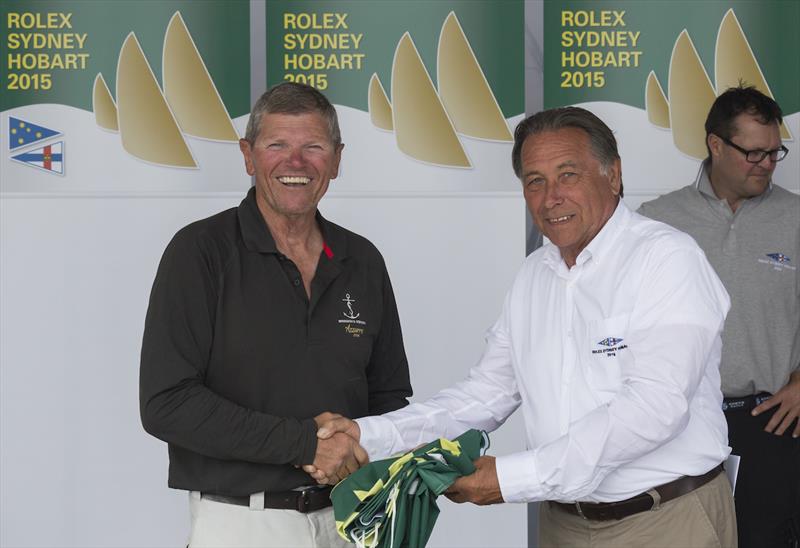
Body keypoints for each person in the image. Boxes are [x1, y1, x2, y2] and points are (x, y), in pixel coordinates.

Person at [311, 107, 737, 547]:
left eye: (568, 175)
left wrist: (512, 478)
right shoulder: (534, 276)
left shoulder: (667, 260)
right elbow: (485, 394)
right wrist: (367, 434)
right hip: (562, 525)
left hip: (666, 520)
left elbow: (654, 407)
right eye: (535, 181)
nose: (551, 196)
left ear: (613, 176)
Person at [139, 82, 412, 548]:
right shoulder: (200, 252)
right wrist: (305, 443)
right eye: (277, 145)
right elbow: (167, 403)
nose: (296, 163)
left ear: (337, 159)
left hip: (349, 522)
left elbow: (388, 399)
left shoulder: (362, 260)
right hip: (241, 525)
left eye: (313, 147)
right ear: (248, 156)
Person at [639, 85, 799, 548]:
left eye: (774, 153)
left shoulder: (795, 216)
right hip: (679, 425)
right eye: (753, 153)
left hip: (770, 423)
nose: (766, 164)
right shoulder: (657, 220)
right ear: (715, 145)